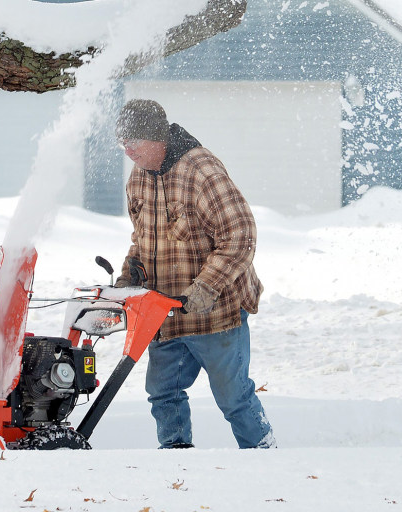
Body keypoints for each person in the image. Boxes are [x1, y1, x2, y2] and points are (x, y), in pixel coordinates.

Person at [113, 99, 275, 449]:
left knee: (233, 398)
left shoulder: (202, 172)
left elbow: (241, 235)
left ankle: (264, 456)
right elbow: (141, 236)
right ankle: (176, 463)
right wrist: (130, 275)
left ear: (156, 138)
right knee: (163, 395)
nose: (127, 150)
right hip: (166, 312)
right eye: (121, 142)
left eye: (134, 142)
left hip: (216, 312)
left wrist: (206, 287)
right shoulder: (138, 177)